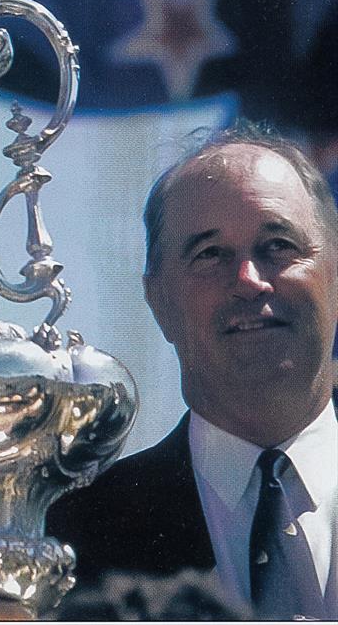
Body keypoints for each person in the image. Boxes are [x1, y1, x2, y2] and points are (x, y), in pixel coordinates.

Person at [46, 124, 338, 620]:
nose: (249, 281)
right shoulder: (71, 537)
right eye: (210, 254)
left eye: (279, 245)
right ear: (157, 300)